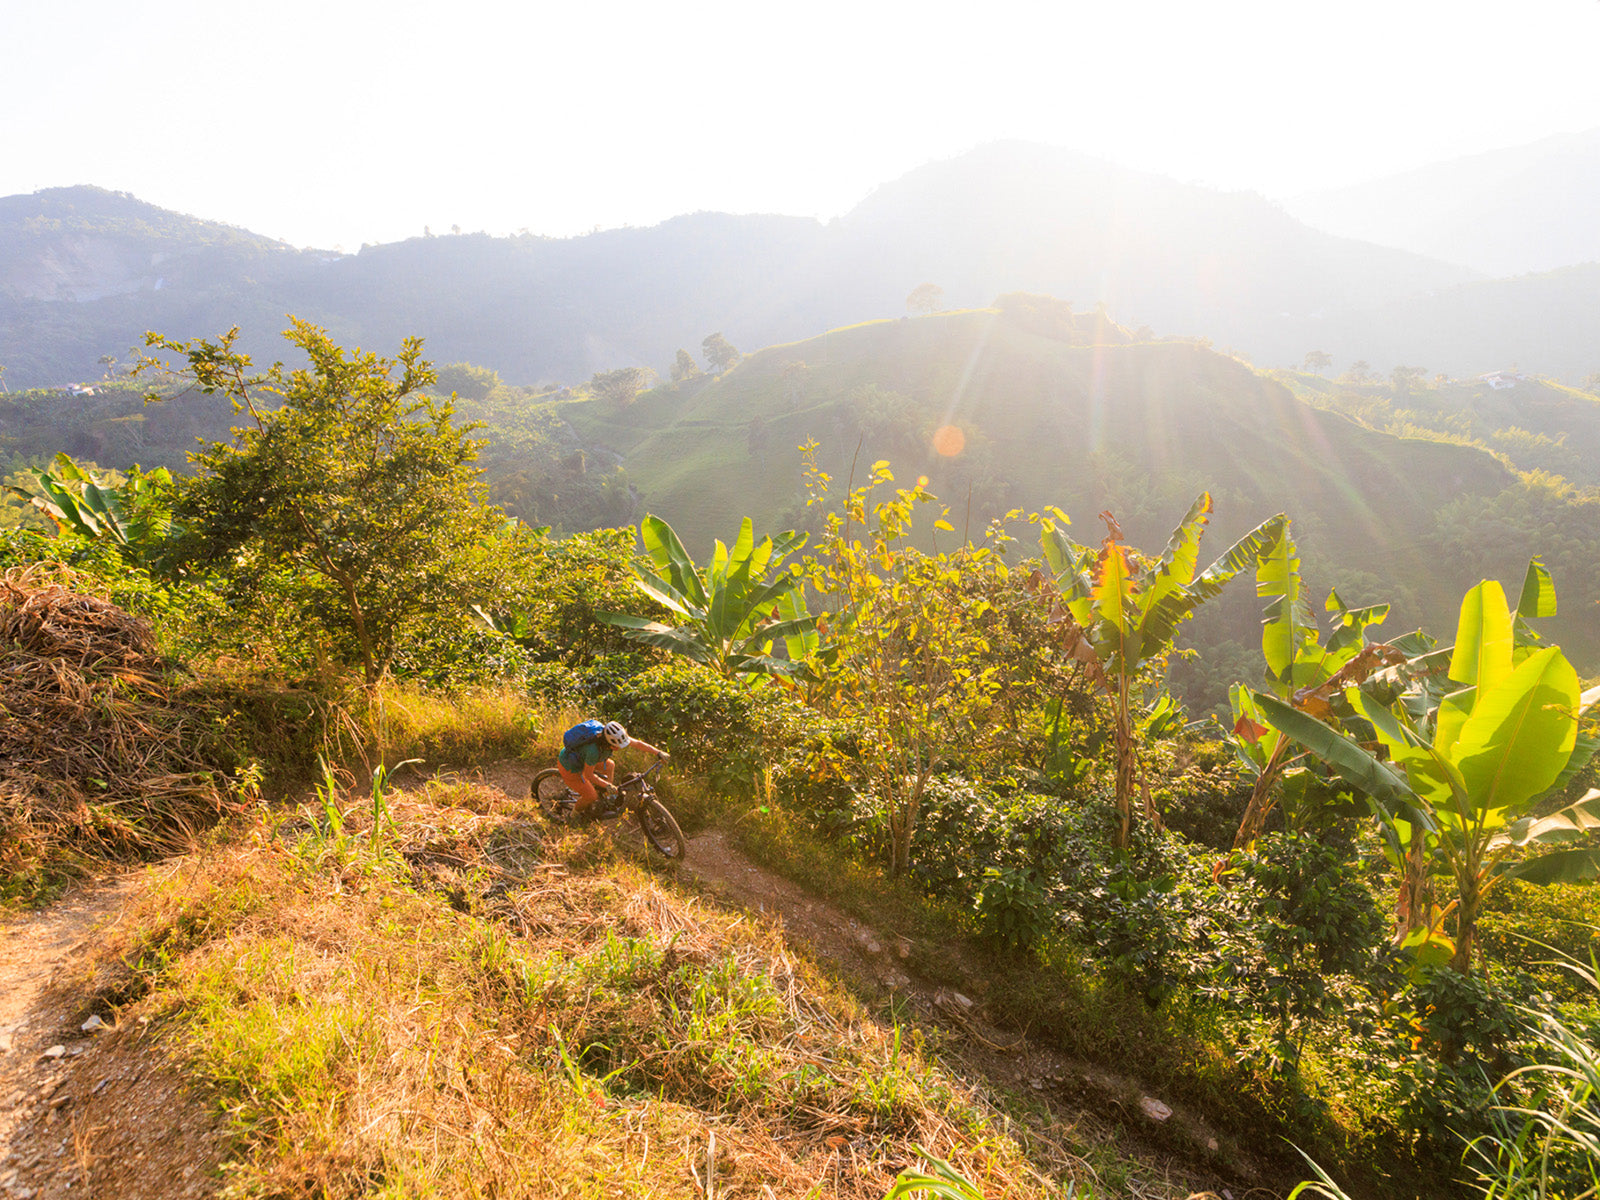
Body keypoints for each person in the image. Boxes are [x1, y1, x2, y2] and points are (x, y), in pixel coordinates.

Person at [556, 720, 668, 819]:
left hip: (585, 759)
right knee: (591, 796)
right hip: (570, 766)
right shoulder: (593, 751)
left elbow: (637, 743)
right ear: (611, 745)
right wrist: (607, 785)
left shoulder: (610, 737)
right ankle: (573, 816)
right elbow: (588, 775)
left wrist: (657, 752)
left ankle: (607, 795)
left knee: (610, 765)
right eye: (618, 746)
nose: (620, 748)